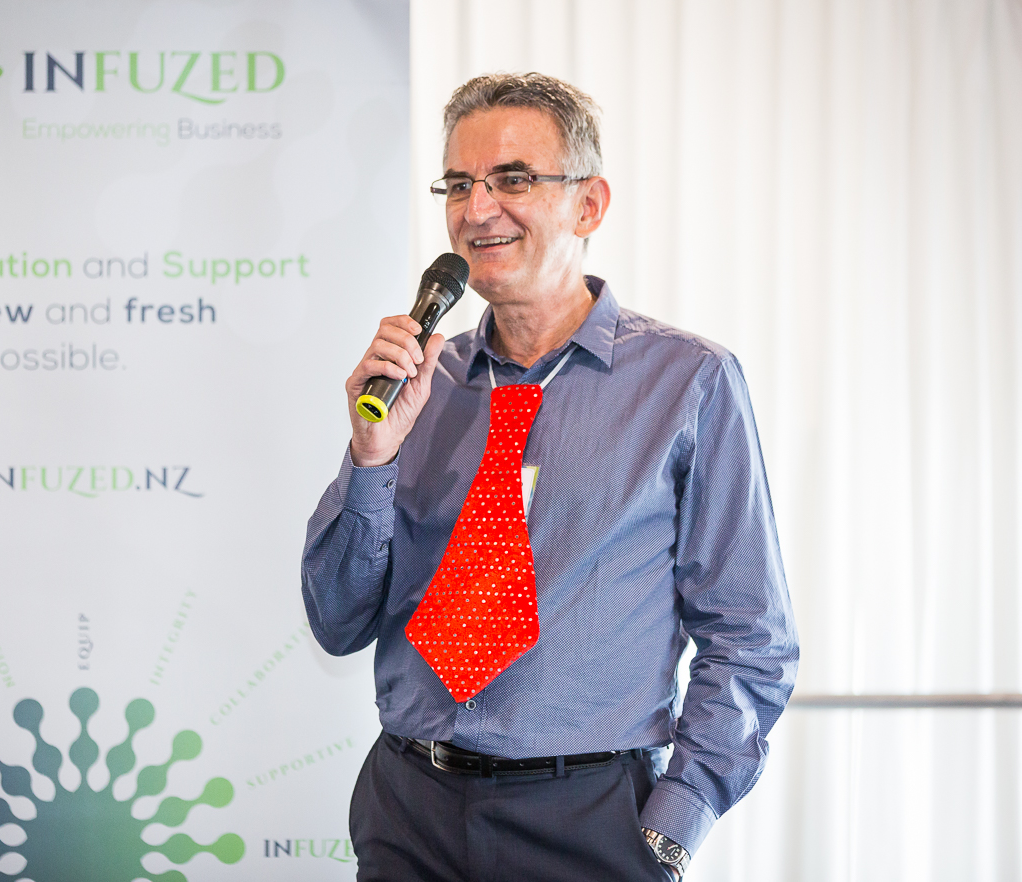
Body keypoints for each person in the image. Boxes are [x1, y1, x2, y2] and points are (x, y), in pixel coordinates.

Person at [301, 72, 798, 882]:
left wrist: (671, 826)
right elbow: (336, 620)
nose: (476, 209)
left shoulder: (688, 382)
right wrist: (371, 457)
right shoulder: (417, 384)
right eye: (458, 184)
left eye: (512, 179)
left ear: (588, 205)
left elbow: (749, 638)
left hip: (588, 819)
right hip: (409, 810)